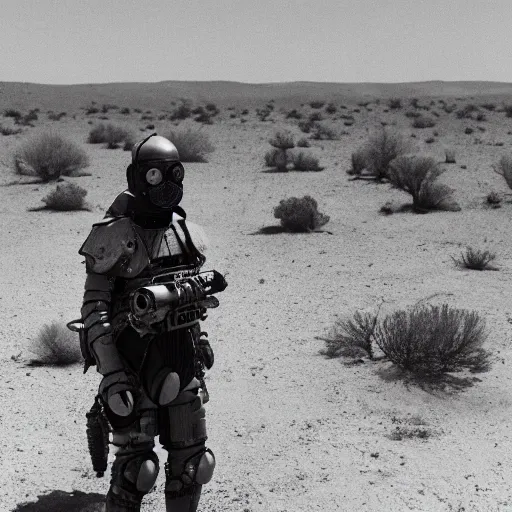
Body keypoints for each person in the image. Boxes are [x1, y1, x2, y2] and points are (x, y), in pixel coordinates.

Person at [77, 134, 226, 511]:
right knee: (137, 468)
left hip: (180, 358)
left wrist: (199, 337)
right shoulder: (114, 235)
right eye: (156, 176)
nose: (166, 185)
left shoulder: (183, 231)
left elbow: (190, 292)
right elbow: (95, 310)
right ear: (137, 178)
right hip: (132, 363)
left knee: (195, 463)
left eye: (174, 174)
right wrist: (111, 375)